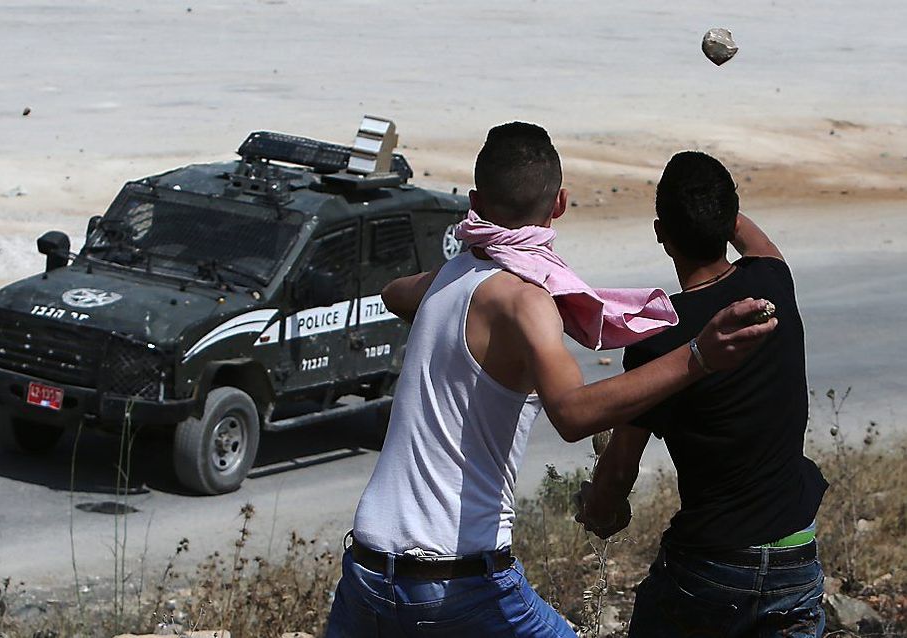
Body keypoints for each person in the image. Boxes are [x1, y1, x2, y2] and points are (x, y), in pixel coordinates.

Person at [325, 124, 777, 637]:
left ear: (475, 203)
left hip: (366, 571)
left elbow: (393, 293)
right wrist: (699, 356)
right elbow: (572, 414)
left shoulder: (451, 279)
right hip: (457, 580)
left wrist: (457, 280)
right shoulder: (527, 302)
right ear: (560, 203)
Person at [575, 151, 828, 638]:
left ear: (659, 233)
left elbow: (621, 465)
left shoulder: (660, 338)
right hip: (796, 557)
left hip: (711, 568)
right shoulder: (773, 281)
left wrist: (601, 510)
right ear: (731, 218)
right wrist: (718, 208)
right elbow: (741, 229)